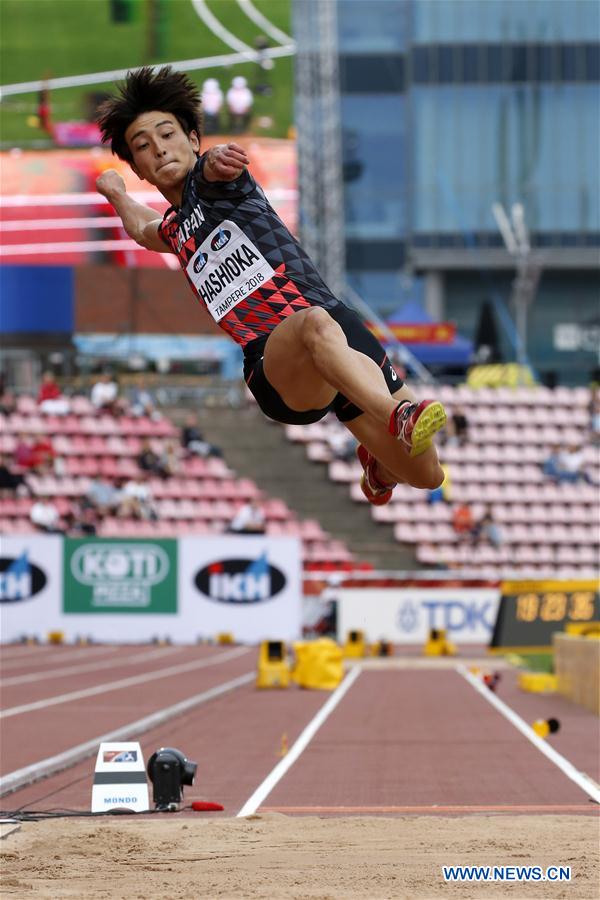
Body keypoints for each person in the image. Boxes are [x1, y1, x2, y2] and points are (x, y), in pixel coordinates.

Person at [96, 66, 446, 509]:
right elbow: (141, 227)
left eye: (167, 135)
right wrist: (115, 192)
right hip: (277, 365)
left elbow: (218, 166)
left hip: (341, 330)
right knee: (313, 325)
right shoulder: (174, 230)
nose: (159, 149)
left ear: (192, 139)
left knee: (428, 474)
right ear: (140, 170)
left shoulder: (217, 182)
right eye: (142, 147)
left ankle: (380, 465)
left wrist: (221, 157)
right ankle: (397, 415)